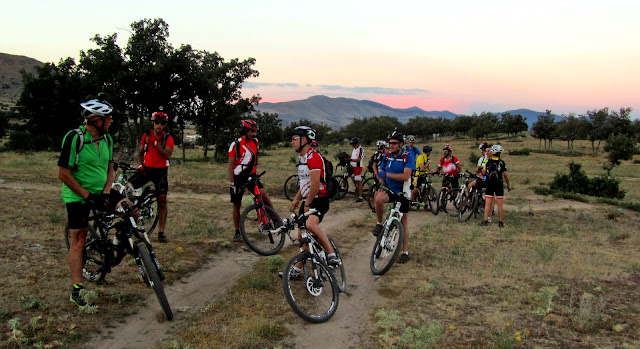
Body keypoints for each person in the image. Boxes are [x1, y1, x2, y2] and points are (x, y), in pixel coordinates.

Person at [58, 99, 130, 306]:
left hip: (101, 192)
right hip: (77, 196)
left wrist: (107, 192)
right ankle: (77, 289)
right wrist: (87, 196)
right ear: (97, 120)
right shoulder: (74, 138)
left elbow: (110, 168)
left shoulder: (107, 139)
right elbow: (63, 174)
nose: (111, 120)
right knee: (79, 240)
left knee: (130, 211)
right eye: (108, 118)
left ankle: (117, 245)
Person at [289, 126, 339, 270]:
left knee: (310, 225)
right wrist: (297, 199)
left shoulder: (313, 157)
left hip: (319, 199)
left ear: (303, 139)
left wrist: (307, 203)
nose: (292, 142)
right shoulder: (303, 158)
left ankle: (331, 254)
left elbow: (316, 184)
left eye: (294, 139)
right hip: (308, 199)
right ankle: (298, 269)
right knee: (301, 236)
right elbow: (305, 184)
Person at [130, 110, 174, 243]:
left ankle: (161, 232)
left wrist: (155, 144)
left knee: (162, 200)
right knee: (128, 188)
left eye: (161, 123)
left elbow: (167, 155)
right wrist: (140, 165)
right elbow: (140, 153)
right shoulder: (146, 136)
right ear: (152, 123)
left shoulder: (168, 138)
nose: (159, 126)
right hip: (146, 169)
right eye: (156, 123)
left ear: (165, 125)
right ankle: (132, 218)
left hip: (160, 172)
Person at [372, 129, 415, 264]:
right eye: (390, 143)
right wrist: (382, 180)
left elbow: (406, 176)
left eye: (394, 143)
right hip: (390, 188)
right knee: (378, 198)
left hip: (403, 191)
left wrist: (388, 175)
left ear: (401, 144)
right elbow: (381, 171)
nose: (391, 145)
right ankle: (379, 223)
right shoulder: (387, 156)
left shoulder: (408, 157)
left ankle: (405, 252)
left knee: (403, 222)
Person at [228, 119, 275, 242]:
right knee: (237, 204)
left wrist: (255, 172)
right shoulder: (236, 144)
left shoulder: (255, 142)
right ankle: (237, 231)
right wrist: (232, 183)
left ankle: (275, 220)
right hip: (239, 177)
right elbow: (230, 166)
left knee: (264, 196)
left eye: (255, 131)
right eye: (252, 131)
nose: (254, 134)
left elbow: (254, 160)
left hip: (252, 175)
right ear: (245, 130)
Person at [480, 145, 512, 227]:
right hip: (499, 184)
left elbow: (483, 172)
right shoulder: (501, 162)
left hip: (490, 184)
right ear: (498, 153)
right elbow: (505, 175)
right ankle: (501, 222)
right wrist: (508, 185)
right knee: (500, 204)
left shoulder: (488, 162)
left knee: (487, 203)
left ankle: (485, 220)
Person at [349, 137, 365, 202]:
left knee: (358, 181)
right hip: (352, 166)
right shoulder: (354, 149)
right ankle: (343, 189)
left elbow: (358, 159)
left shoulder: (360, 149)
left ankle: (360, 197)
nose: (352, 146)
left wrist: (350, 159)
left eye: (353, 144)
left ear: (357, 143)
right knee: (345, 175)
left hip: (358, 167)